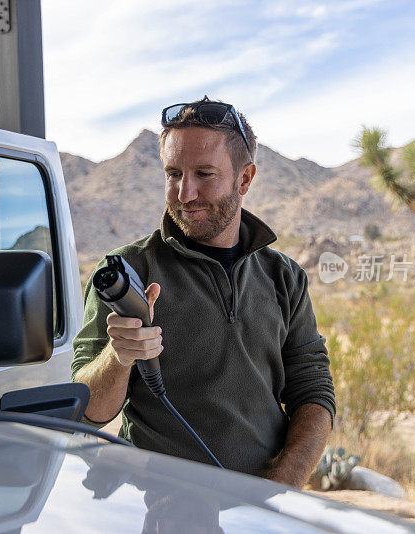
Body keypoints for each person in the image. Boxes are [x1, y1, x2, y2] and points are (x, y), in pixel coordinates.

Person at [71, 97, 335, 486]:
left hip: (261, 507)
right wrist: (120, 355)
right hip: (157, 508)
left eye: (204, 174)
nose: (184, 192)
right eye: (173, 173)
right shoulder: (128, 272)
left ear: (245, 179)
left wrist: (279, 493)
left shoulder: (285, 277)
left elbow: (313, 391)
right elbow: (90, 411)